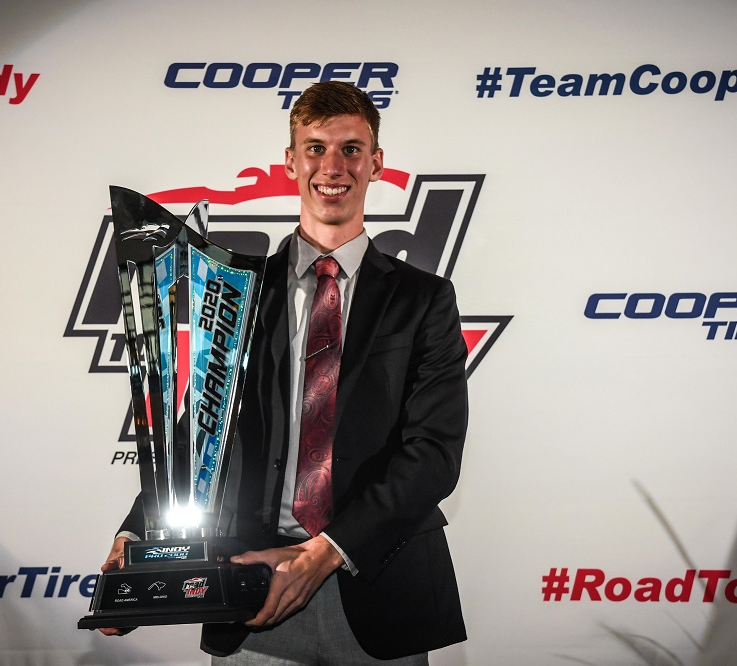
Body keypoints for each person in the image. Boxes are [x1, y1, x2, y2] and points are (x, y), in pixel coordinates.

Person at [100, 81, 469, 664]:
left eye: (351, 149)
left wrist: (324, 553)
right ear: (291, 161)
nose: (333, 167)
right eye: (315, 148)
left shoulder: (424, 299)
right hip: (250, 588)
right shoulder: (235, 293)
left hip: (380, 587)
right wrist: (136, 537)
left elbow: (434, 454)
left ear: (376, 163)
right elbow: (199, 435)